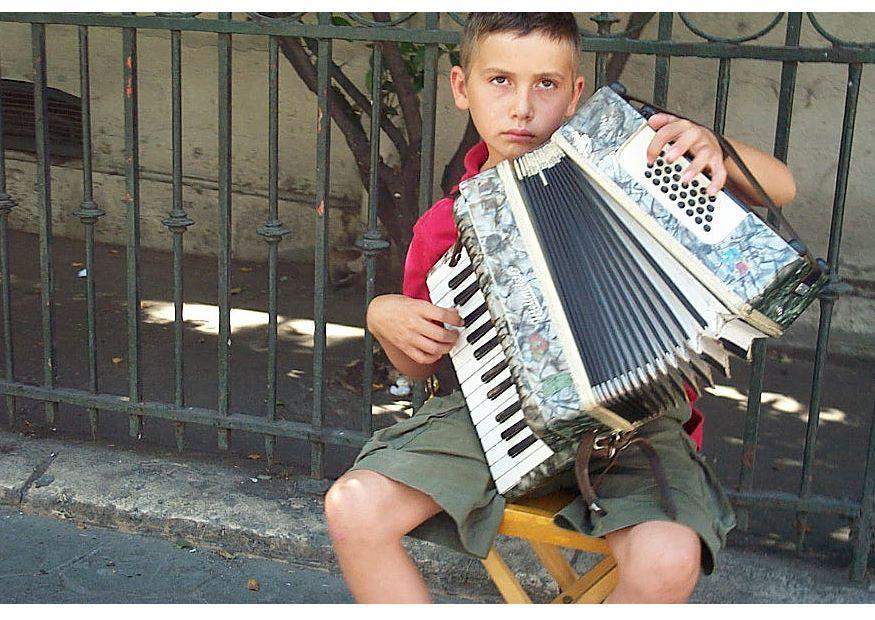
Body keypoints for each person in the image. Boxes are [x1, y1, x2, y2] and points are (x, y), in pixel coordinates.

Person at [324, 13, 797, 604]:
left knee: (667, 560)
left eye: (545, 84)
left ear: (575, 94)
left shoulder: (643, 166)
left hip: (636, 425)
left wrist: (714, 146)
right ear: (461, 87)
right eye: (500, 80)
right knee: (354, 508)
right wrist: (383, 315)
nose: (521, 107)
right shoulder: (446, 225)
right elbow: (420, 365)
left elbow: (781, 187)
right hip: (494, 416)